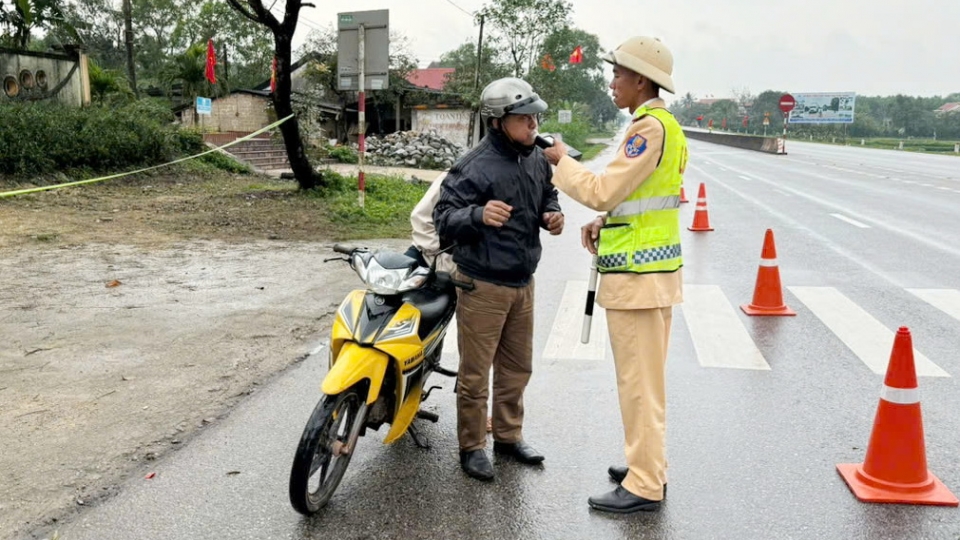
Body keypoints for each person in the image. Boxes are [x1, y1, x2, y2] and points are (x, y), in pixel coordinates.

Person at [542, 36, 686, 513]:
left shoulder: (649, 128)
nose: (612, 83)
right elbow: (640, 198)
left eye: (618, 74)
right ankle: (648, 465)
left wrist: (564, 161)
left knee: (639, 387)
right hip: (648, 274)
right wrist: (607, 222)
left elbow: (604, 189)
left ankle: (645, 483)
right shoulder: (664, 126)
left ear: (641, 79)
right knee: (645, 383)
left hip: (638, 279)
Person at [433, 77, 564, 481]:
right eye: (524, 119)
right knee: (476, 373)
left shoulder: (537, 157)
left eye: (535, 118)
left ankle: (508, 437)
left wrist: (552, 213)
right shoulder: (474, 166)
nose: (533, 126)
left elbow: (547, 193)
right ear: (498, 120)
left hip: (523, 282)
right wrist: (476, 215)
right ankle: (472, 446)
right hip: (483, 284)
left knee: (516, 368)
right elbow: (442, 219)